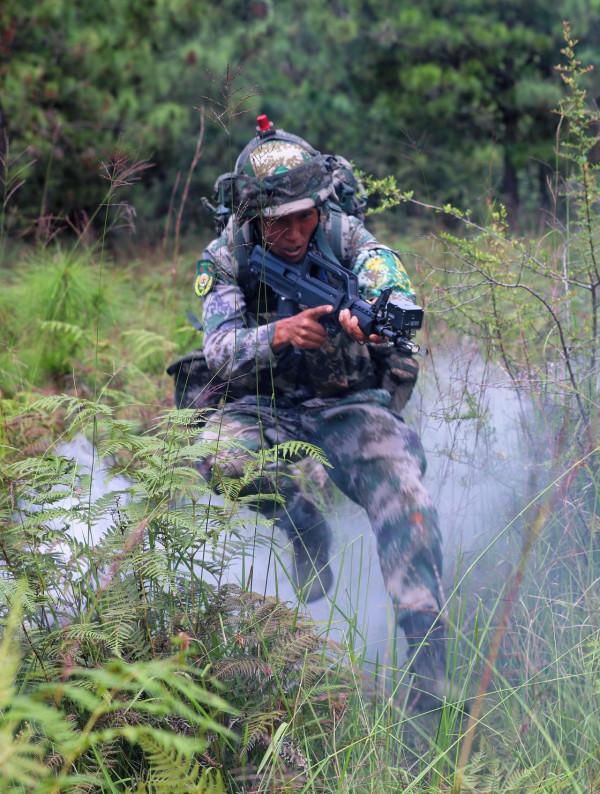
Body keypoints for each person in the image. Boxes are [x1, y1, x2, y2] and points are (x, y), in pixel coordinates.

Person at [194, 116, 451, 711]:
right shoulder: (226, 256)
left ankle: (429, 681)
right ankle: (302, 524)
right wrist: (279, 333)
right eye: (278, 222)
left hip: (350, 406)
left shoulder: (351, 240)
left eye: (304, 216)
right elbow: (219, 349)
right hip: (265, 404)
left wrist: (378, 320)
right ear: (253, 218)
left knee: (408, 501)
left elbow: (395, 290)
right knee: (219, 457)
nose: (294, 231)